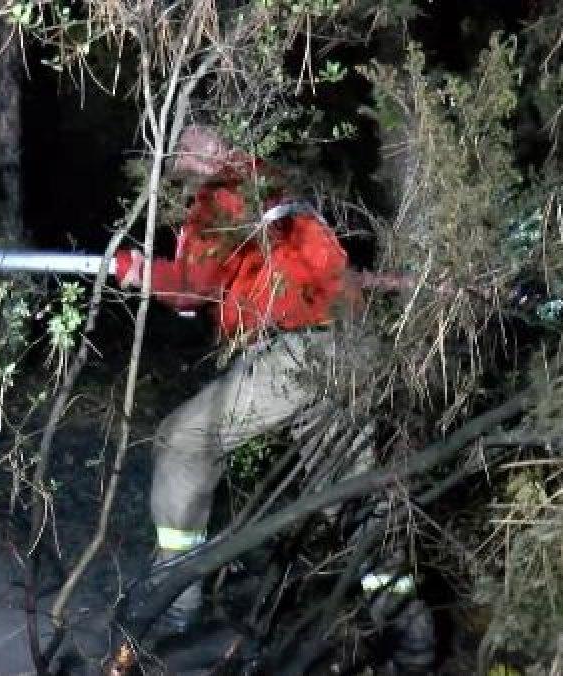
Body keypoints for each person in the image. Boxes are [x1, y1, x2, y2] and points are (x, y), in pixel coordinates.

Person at [113, 125, 434, 669]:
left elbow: (193, 286)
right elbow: (207, 296)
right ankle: (412, 636)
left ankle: (176, 596)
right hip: (345, 347)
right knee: (351, 493)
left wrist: (137, 270)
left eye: (188, 138)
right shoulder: (265, 186)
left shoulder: (230, 187)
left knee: (184, 437)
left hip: (305, 349)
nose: (184, 151)